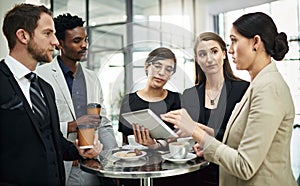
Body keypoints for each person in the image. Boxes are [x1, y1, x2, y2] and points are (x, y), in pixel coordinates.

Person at [161, 12, 297, 186]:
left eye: (234, 40)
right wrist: (198, 135)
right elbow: (236, 141)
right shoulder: (259, 85)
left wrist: (195, 131)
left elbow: (244, 165)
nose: (231, 49)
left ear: (255, 42)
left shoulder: (268, 89)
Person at [0, 3, 102, 186]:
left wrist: (79, 151)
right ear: (23, 36)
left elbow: (54, 141)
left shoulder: (44, 88)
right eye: (47, 34)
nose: (55, 42)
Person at [157, 32, 249, 186]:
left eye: (214, 51)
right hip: (197, 172)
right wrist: (163, 140)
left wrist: (196, 129)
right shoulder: (189, 95)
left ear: (224, 54)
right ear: (197, 60)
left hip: (231, 171)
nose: (209, 59)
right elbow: (185, 138)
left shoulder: (244, 90)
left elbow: (242, 137)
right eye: (202, 54)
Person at [37, 13, 118, 185]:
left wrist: (113, 162)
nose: (84, 45)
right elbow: (37, 127)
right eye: (76, 41)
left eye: (85, 40)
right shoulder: (41, 77)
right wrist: (71, 125)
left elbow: (103, 123)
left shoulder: (92, 78)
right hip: (64, 167)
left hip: (93, 166)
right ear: (60, 43)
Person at [118, 47, 181, 149]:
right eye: (157, 66)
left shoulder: (177, 100)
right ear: (147, 66)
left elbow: (179, 142)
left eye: (168, 69)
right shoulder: (128, 100)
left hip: (167, 163)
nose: (161, 73)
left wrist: (155, 146)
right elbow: (125, 142)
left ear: (171, 74)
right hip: (134, 162)